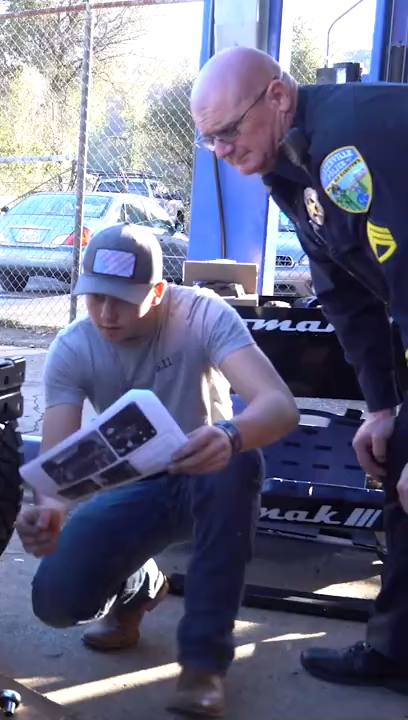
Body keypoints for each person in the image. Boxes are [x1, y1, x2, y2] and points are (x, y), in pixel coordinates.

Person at [189, 45, 408, 697]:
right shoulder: (293, 166)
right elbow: (349, 293)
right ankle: (397, 651)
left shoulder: (352, 144)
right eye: (209, 141)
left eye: (229, 130)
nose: (223, 150)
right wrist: (381, 408)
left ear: (278, 97)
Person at [15, 223, 300, 718]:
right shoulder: (73, 346)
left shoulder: (202, 314)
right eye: (95, 296)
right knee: (56, 602)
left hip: (210, 476)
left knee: (238, 465)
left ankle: (203, 665)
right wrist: (50, 510)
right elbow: (57, 470)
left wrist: (230, 435)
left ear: (159, 291)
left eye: (122, 299)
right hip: (135, 487)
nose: (106, 313)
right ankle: (141, 587)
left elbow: (279, 406)